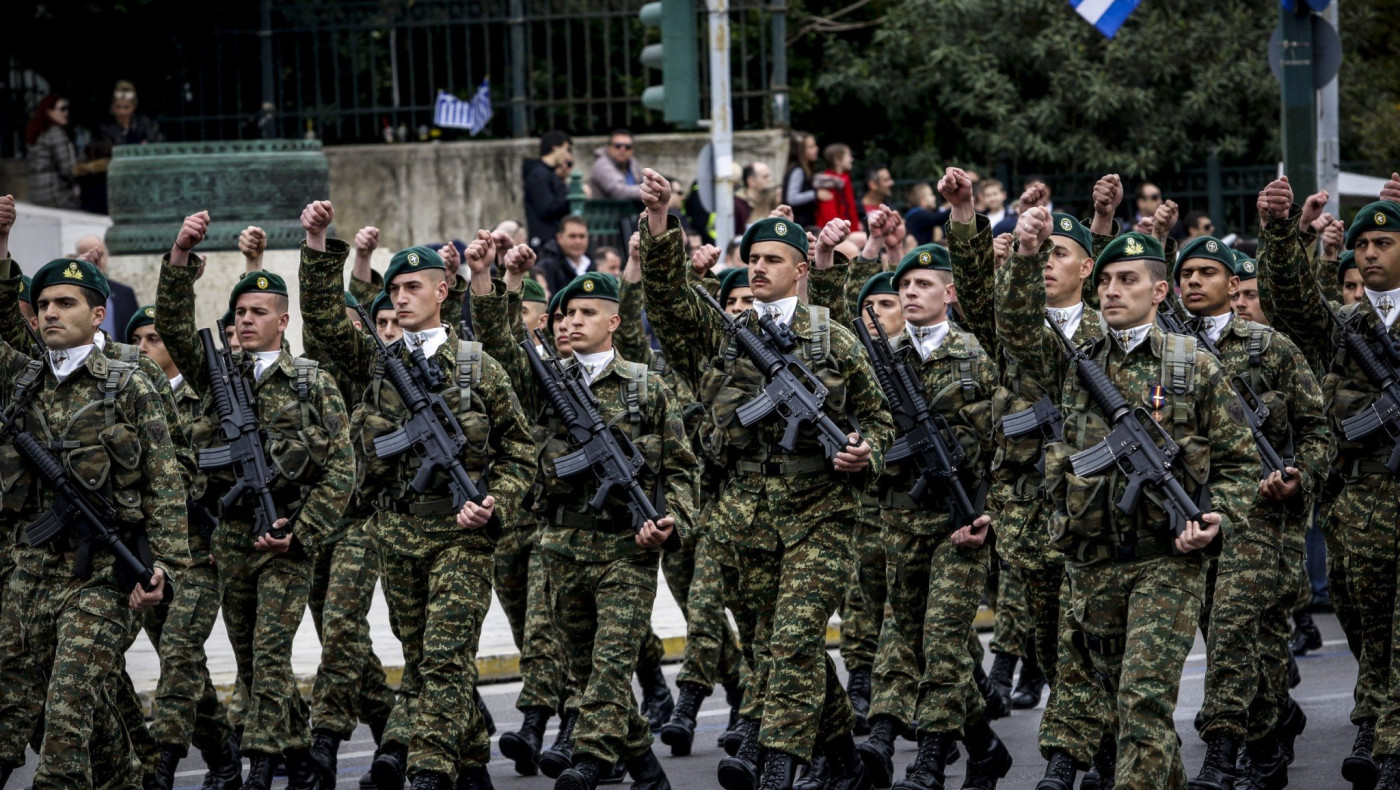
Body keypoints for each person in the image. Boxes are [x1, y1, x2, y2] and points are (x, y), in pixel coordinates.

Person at [639, 168, 894, 789]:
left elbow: (880, 418)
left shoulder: (834, 339)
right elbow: (670, 301)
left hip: (821, 511)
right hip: (744, 514)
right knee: (773, 645)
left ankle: (777, 763)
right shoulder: (727, 337)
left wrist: (867, 452)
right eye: (751, 258)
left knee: (795, 638)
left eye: (772, 259)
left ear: (801, 268)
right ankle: (844, 762)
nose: (757, 269)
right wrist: (658, 221)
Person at [998, 216, 1255, 790]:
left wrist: (1217, 521)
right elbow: (1014, 325)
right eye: (1107, 279)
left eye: (1128, 280)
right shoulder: (1078, 363)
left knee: (1143, 701)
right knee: (1123, 708)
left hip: (1166, 560)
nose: (1112, 290)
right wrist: (1026, 253)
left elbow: (1240, 464)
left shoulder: (1193, 365)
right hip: (1092, 564)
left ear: (1159, 291)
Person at [298, 201, 535, 790]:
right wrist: (319, 242)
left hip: (461, 532)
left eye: (412, 288)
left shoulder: (477, 368)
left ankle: (428, 773)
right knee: (423, 657)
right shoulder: (375, 363)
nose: (400, 298)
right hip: (396, 534)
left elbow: (521, 452)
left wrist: (495, 502)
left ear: (443, 289)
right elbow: (326, 321)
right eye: (395, 288)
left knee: (444, 657)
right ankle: (473, 760)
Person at [156, 212, 356, 790]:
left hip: (289, 538)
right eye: (239, 312)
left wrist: (303, 527)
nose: (245, 320)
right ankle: (297, 754)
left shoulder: (311, 381)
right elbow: (173, 322)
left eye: (258, 312)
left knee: (270, 653)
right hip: (233, 535)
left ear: (282, 321)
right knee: (248, 657)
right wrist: (180, 255)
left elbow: (343, 465)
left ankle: (260, 766)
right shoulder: (217, 372)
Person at [0, 253, 188, 786]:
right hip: (32, 575)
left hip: (105, 575)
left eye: (65, 303)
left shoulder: (129, 382)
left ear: (98, 313)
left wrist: (164, 569)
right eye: (42, 306)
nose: (51, 314)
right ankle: (125, 778)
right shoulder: (23, 379)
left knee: (65, 709)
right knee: (67, 707)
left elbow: (166, 478)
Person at [1257, 173, 1400, 790]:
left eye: (1384, 242)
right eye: (1362, 244)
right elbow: (1289, 303)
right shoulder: (1345, 325)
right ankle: (1375, 714)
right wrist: (1282, 231)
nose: (1368, 252)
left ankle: (1386, 738)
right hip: (1360, 502)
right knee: (1367, 622)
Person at [1169, 234, 1328, 789]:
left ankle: (1221, 749)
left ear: (1233, 284)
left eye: (1206, 273)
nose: (1193, 281)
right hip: (1195, 514)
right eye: (1185, 272)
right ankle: (1269, 733)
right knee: (1234, 638)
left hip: (1261, 519)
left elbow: (1317, 430)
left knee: (1236, 627)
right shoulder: (1166, 352)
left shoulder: (1270, 347)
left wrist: (1298, 477)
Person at [73, 234, 138, 337]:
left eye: (101, 255)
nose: (97, 261)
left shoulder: (125, 293)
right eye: (90, 256)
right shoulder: (71, 293)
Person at [25, 95, 81, 209]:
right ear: (49, 111)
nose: (66, 113)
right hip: (54, 193)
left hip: (36, 193)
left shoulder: (39, 133)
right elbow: (67, 169)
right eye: (62, 109)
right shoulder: (55, 133)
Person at [525, 130, 576, 248]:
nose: (568, 155)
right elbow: (547, 208)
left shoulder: (550, 173)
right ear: (555, 148)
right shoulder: (539, 174)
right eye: (566, 149)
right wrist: (571, 196)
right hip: (545, 241)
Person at [538, 215, 594, 294]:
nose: (578, 241)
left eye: (582, 236)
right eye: (572, 236)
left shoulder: (593, 266)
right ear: (559, 238)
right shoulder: (548, 267)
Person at [97, 80, 163, 147]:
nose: (122, 112)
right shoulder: (105, 128)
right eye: (118, 107)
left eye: (126, 107)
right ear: (112, 108)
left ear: (134, 107)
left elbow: (157, 142)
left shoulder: (145, 123)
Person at [814, 143, 863, 233]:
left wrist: (855, 227)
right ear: (837, 160)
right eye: (848, 156)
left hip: (846, 229)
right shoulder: (827, 182)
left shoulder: (844, 179)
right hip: (834, 232)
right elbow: (828, 213)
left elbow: (851, 208)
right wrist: (843, 231)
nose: (851, 159)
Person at [588, 129, 644, 200]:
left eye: (627, 147)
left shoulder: (633, 163)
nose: (622, 149)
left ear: (632, 150)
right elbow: (618, 191)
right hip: (606, 210)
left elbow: (646, 180)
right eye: (618, 146)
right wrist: (649, 190)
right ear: (608, 147)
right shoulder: (601, 164)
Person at [783, 132, 820, 228]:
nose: (816, 149)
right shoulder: (798, 170)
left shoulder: (807, 168)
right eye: (811, 147)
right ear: (800, 151)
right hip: (799, 224)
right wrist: (816, 194)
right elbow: (792, 198)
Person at [736, 162, 774, 233]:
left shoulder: (771, 201)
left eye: (769, 176)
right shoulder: (737, 204)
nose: (770, 179)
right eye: (765, 177)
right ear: (751, 181)